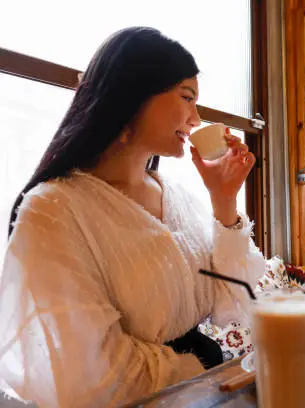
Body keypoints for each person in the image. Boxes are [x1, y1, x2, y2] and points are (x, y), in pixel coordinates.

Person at [0, 27, 265, 407]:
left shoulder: (177, 197)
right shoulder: (53, 211)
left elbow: (233, 301)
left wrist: (224, 200)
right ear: (130, 95)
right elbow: (94, 378)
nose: (196, 119)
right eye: (187, 98)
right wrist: (203, 368)